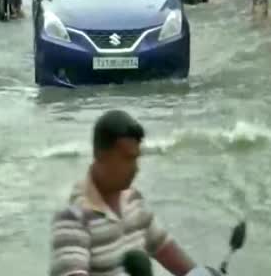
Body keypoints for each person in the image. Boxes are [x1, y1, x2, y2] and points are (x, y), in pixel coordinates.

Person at [49, 110, 197, 276]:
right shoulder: (73, 218)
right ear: (100, 155)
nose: (135, 168)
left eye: (136, 159)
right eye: (127, 158)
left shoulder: (133, 201)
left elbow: (166, 250)